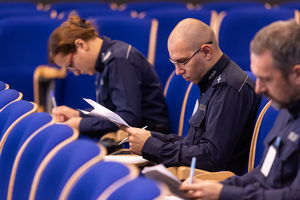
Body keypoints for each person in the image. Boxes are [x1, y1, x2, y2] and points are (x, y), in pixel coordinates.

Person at [120, 18, 262, 175]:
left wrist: (152, 147)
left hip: (210, 185)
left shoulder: (228, 88)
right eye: (174, 62)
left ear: (206, 52)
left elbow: (210, 157)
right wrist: (151, 137)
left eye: (182, 62)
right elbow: (193, 144)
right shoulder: (211, 81)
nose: (178, 71)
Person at [179, 19, 300, 200]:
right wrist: (214, 187)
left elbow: (293, 196)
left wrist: (223, 194)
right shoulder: (287, 108)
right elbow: (262, 175)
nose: (258, 89)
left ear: (297, 74)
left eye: (267, 79)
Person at [48, 14, 172, 139]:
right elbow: (113, 113)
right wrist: (78, 115)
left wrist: (80, 124)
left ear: (81, 45)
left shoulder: (119, 59)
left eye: (71, 65)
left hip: (152, 143)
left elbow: (127, 119)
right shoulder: (106, 61)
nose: (75, 73)